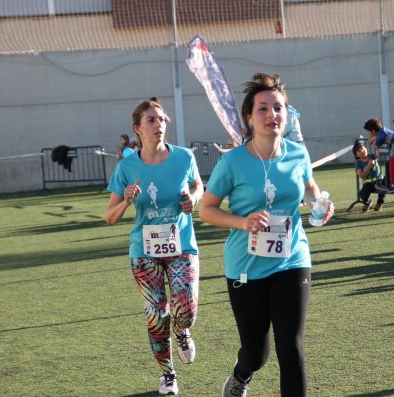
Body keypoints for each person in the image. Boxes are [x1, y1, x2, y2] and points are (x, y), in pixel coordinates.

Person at [199, 73, 334, 397]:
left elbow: (311, 194)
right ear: (249, 117)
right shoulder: (232, 162)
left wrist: (319, 207)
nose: (271, 115)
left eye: (277, 107)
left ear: (286, 114)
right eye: (262, 108)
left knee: (291, 348)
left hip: (292, 260)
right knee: (256, 354)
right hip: (245, 266)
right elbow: (206, 210)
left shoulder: (297, 155)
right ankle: (241, 375)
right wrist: (243, 222)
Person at [104, 98, 204, 395]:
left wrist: (193, 198)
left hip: (182, 245)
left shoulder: (184, 157)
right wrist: (125, 200)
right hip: (144, 252)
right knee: (156, 314)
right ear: (138, 129)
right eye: (151, 120)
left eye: (161, 119)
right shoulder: (127, 166)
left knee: (185, 309)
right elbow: (109, 217)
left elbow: (199, 185)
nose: (158, 125)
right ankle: (168, 374)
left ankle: (182, 329)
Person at [352, 139, 386, 212]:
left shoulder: (372, 156)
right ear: (356, 155)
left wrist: (376, 141)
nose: (362, 151)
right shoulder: (358, 163)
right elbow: (361, 175)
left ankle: (379, 203)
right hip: (368, 183)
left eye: (362, 148)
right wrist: (369, 165)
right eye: (358, 151)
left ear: (365, 148)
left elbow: (378, 152)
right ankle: (368, 202)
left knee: (383, 189)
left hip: (378, 181)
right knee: (362, 194)